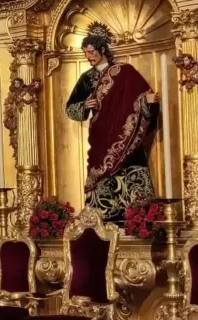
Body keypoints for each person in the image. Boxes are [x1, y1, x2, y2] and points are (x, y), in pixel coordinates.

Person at [66, 23, 158, 222]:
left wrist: (147, 102)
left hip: (127, 133)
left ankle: (137, 217)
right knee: (101, 170)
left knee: (131, 165)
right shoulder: (87, 78)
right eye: (85, 53)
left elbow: (142, 96)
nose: (88, 56)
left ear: (102, 50)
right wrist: (85, 105)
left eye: (91, 52)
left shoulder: (125, 72)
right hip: (101, 133)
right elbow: (71, 108)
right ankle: (104, 215)